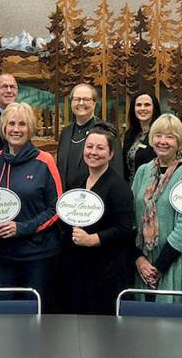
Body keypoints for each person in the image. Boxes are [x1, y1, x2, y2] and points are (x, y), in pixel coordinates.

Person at [0, 103, 63, 309]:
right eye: (11, 123)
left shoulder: (44, 161)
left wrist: (22, 228)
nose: (16, 129)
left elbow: (56, 209)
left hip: (38, 255)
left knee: (35, 317)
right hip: (2, 255)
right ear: (3, 127)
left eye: (22, 124)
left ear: (30, 129)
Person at [57, 122, 135, 315]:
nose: (93, 152)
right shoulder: (78, 182)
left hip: (106, 271)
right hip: (77, 268)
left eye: (100, 148)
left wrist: (93, 239)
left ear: (110, 154)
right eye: (89, 147)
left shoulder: (119, 187)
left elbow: (125, 229)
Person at [130, 114, 182, 302]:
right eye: (158, 135)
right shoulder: (143, 171)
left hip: (175, 262)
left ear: (179, 142)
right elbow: (131, 216)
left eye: (170, 137)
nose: (163, 141)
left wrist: (159, 267)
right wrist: (139, 259)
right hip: (144, 262)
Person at [57, 83, 124, 189]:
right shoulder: (65, 132)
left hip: (96, 199)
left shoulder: (106, 131)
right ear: (71, 103)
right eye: (77, 99)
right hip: (67, 199)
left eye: (86, 99)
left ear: (94, 103)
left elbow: (117, 169)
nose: (81, 103)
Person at [122, 92, 160, 180]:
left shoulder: (159, 134)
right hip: (130, 186)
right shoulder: (130, 134)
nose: (142, 108)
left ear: (154, 108)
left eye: (147, 105)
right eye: (138, 105)